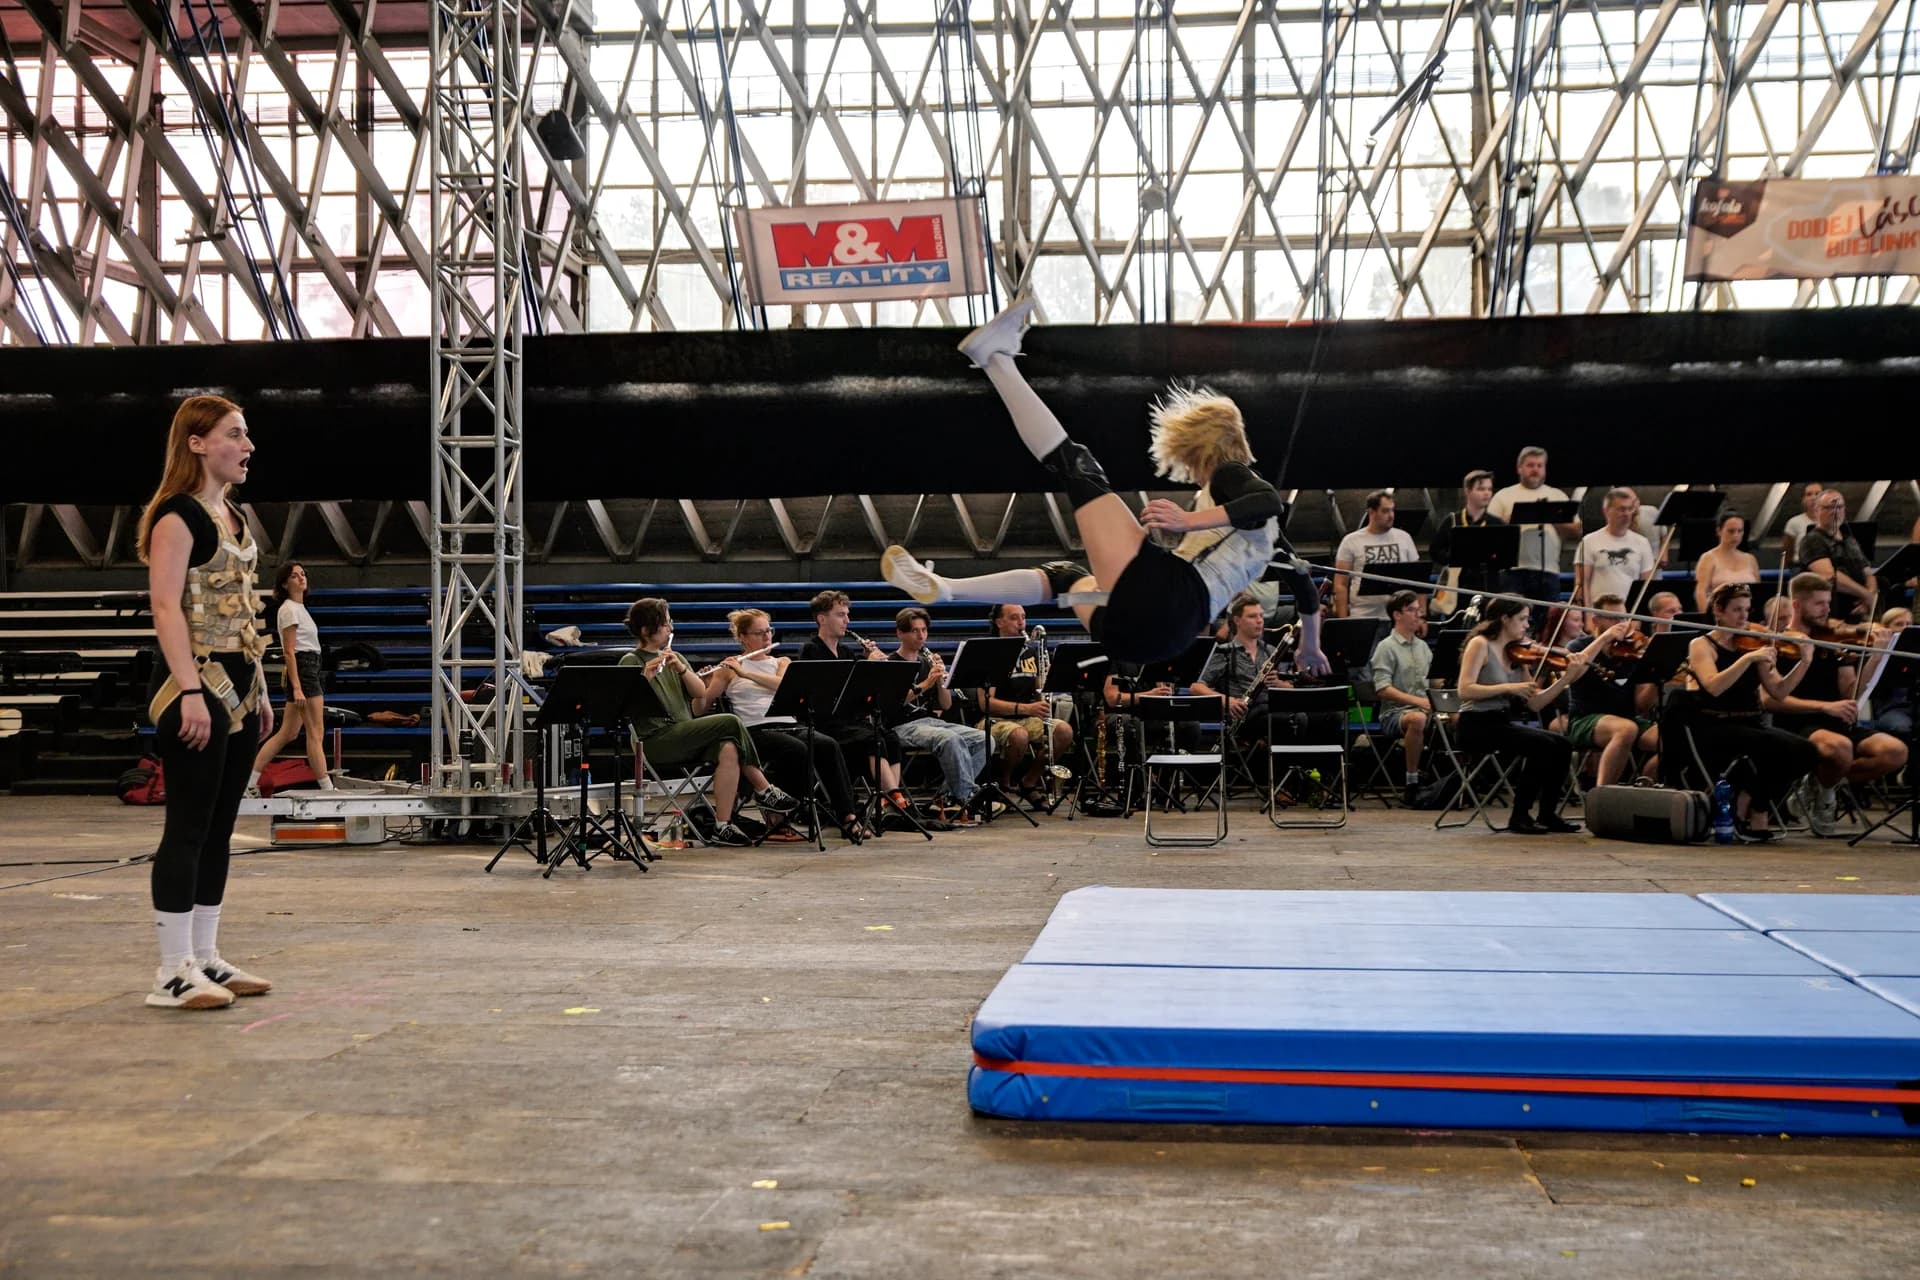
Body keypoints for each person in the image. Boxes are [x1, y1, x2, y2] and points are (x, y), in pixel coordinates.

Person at [880, 297, 1329, 677]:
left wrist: (1188, 518)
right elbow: (1306, 585)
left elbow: (1267, 501)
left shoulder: (1230, 473)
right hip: (1153, 640)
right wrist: (1311, 646)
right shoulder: (1270, 545)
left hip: (1169, 600)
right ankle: (947, 589)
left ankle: (994, 359)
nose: (1191, 472)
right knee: (1067, 578)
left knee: (1079, 467)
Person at [136, 394, 276, 1010]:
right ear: (197, 443)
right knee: (187, 828)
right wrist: (190, 688)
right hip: (196, 687)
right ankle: (172, 971)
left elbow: (248, 612)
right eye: (234, 435)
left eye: (245, 436)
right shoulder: (177, 516)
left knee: (220, 830)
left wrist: (264, 687)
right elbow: (166, 605)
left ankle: (206, 957)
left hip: (243, 687)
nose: (247, 447)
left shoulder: (238, 519)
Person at [618, 597, 799, 847]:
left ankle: (722, 825)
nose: (671, 629)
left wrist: (682, 669)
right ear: (647, 630)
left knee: (728, 746)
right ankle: (764, 789)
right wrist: (646, 677)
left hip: (682, 735)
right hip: (654, 740)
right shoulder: (631, 660)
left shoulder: (675, 656)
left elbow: (699, 694)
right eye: (666, 624)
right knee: (730, 721)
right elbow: (624, 706)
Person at [700, 609, 868, 842]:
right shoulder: (728, 670)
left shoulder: (781, 662)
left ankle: (848, 816)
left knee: (828, 746)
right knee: (796, 750)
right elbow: (701, 706)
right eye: (759, 633)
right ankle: (780, 812)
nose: (767, 637)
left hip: (789, 724)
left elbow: (782, 685)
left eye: (769, 631)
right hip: (754, 730)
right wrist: (703, 684)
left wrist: (746, 674)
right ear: (743, 637)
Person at [1766, 573, 1908, 836]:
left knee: (1895, 752)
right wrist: (1824, 707)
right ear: (1797, 605)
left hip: (1837, 721)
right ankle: (1827, 793)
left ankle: (1821, 782)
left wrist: (1875, 658)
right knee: (1840, 748)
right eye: (1819, 604)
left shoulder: (1833, 641)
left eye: (1828, 603)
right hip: (1799, 723)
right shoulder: (1778, 643)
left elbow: (1850, 692)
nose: (1827, 610)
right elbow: (1770, 700)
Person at [1681, 583, 1819, 842]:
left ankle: (1754, 803)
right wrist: (1747, 660)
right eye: (1736, 610)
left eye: (1746, 610)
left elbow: (1779, 691)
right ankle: (1754, 812)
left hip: (1751, 723)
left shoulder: (1753, 643)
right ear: (1718, 611)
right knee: (1771, 746)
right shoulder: (1702, 644)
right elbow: (1714, 687)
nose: (1744, 617)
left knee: (1806, 751)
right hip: (1714, 724)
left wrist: (1804, 662)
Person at [1454, 598, 1588, 834]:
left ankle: (1547, 814)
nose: (1527, 625)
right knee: (1541, 745)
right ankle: (1520, 815)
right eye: (1522, 619)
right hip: (1476, 725)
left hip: (1501, 723)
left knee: (1563, 744)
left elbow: (1535, 703)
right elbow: (1465, 690)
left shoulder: (1518, 653)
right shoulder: (1480, 644)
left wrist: (1567, 678)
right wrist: (1508, 688)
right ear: (1505, 619)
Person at [798, 590, 917, 825]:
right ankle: (895, 797)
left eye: (847, 615)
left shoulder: (845, 651)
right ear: (822, 619)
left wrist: (871, 668)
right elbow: (826, 691)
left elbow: (860, 692)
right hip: (825, 722)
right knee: (872, 739)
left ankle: (886, 799)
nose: (847, 621)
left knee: (889, 737)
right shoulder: (811, 649)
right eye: (840, 615)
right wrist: (865, 666)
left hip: (848, 721)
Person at [889, 607, 989, 821]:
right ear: (900, 633)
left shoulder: (927, 662)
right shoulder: (891, 664)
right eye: (915, 631)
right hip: (901, 725)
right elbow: (893, 703)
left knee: (985, 739)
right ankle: (965, 798)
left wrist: (941, 681)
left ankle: (947, 798)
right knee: (950, 739)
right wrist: (925, 684)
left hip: (930, 721)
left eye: (924, 630)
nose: (921, 636)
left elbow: (946, 703)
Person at [1554, 595, 1660, 788]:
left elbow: (1642, 705)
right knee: (1626, 729)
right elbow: (1574, 673)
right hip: (1584, 719)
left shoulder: (1632, 650)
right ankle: (1602, 797)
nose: (1619, 624)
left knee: (1675, 738)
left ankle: (1645, 786)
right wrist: (1605, 638)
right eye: (1612, 618)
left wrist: (1657, 677)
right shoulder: (1578, 646)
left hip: (1627, 718)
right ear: (1596, 621)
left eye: (1622, 618)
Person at [973, 603, 1075, 798]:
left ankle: (1029, 782)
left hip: (1027, 716)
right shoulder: (991, 652)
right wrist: (1028, 708)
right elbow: (986, 703)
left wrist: (1048, 681)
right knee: (1019, 735)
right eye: (1014, 618)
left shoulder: (1031, 652)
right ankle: (1004, 783)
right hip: (994, 719)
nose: (1021, 623)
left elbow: (1039, 692)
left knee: (1063, 731)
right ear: (999, 622)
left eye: (1023, 617)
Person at [248, 562, 333, 795]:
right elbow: (289, 651)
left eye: (303, 574)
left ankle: (248, 782)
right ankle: (327, 788)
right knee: (315, 731)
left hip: (309, 666)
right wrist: (297, 687)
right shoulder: (289, 609)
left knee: (288, 733)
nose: (301, 578)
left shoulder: (299, 608)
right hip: (303, 668)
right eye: (294, 576)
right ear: (285, 583)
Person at [1487, 446, 1579, 623]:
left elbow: (1577, 530)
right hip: (1513, 572)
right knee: (1511, 622)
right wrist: (1510, 519)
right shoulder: (1504, 495)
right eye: (1530, 465)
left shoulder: (1556, 495)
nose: (1535, 469)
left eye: (1539, 465)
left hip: (1549, 572)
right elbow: (1489, 531)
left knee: (1548, 625)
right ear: (1519, 468)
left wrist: (1553, 517)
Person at [1368, 590, 1432, 804]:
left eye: (1419, 610)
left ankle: (1463, 779)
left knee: (1461, 716)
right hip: (1394, 714)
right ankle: (1411, 782)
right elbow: (1383, 689)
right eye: (1412, 610)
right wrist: (1419, 702)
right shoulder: (1386, 647)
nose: (1418, 615)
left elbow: (1432, 682)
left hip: (1426, 708)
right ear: (1397, 615)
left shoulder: (1423, 647)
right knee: (1418, 719)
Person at [1192, 593, 1285, 741]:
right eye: (1252, 616)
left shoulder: (1271, 650)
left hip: (1272, 708)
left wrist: (1279, 684)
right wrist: (1227, 701)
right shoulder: (1224, 652)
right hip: (1243, 715)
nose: (1259, 621)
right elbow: (1196, 688)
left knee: (1313, 716)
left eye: (1261, 616)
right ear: (1237, 620)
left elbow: (1289, 687)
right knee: (1288, 719)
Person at [1429, 469, 1506, 617]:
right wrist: (1455, 558)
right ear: (1468, 491)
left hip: (1488, 587)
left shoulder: (1496, 524)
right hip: (1458, 588)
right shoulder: (1452, 520)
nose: (1487, 493)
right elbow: (1435, 551)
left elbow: (1505, 557)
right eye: (1481, 489)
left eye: (1489, 489)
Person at [1332, 491, 1420, 619]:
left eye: (1392, 510)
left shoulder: (1404, 537)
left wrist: (1421, 616)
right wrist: (1343, 619)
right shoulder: (1351, 541)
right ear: (1371, 512)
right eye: (1385, 511)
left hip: (1401, 616)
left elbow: (1418, 579)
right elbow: (1340, 584)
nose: (1391, 516)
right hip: (1363, 615)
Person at [1572, 487, 1657, 608]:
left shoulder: (1642, 543)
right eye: (1621, 509)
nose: (1627, 514)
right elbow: (1582, 584)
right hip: (1599, 613)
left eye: (1629, 509)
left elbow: (1646, 586)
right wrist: (1589, 617)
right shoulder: (1589, 541)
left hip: (1629, 613)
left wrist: (1637, 620)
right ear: (1607, 511)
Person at [1799, 490, 1876, 620]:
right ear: (1817, 511)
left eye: (1839, 507)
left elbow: (1868, 573)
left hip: (1861, 610)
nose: (1835, 511)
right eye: (1829, 507)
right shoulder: (1812, 540)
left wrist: (1871, 597)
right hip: (1832, 612)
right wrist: (1866, 595)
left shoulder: (1850, 540)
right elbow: (1830, 576)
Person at [1692, 511, 1761, 613]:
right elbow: (1700, 592)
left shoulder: (1750, 559)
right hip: (1720, 614)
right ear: (1719, 531)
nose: (1736, 535)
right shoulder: (1708, 558)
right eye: (1731, 531)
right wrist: (1706, 617)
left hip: (1747, 614)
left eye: (1740, 531)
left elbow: (1759, 591)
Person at [1780, 481, 1824, 568]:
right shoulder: (1794, 522)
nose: (1814, 498)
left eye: (1817, 494)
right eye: (1809, 494)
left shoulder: (1832, 521)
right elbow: (1787, 553)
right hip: (1801, 566)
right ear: (1803, 499)